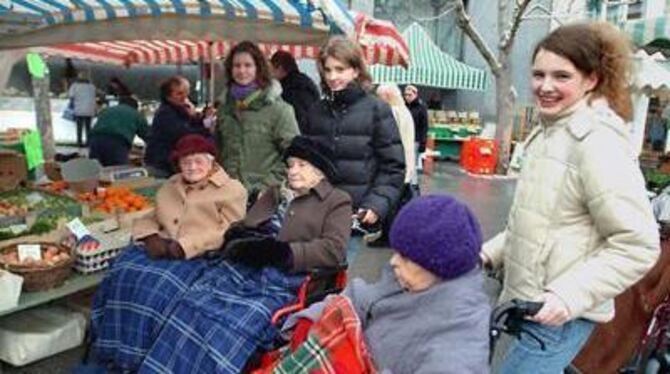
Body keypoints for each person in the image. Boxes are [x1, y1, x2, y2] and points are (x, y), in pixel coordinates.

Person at [481, 22, 660, 373]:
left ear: (591, 80)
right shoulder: (549, 133)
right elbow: (541, 220)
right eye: (538, 74)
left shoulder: (596, 142)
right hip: (530, 306)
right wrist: (487, 254)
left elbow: (639, 245)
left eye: (562, 76)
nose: (545, 86)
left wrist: (567, 296)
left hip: (558, 316)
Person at [134, 135, 352, 373]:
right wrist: (239, 239)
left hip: (288, 277)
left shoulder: (336, 201)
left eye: (301, 165)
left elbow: (334, 249)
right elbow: (244, 225)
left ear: (320, 172)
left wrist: (282, 253)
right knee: (193, 302)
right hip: (247, 267)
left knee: (231, 323)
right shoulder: (276, 192)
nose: (292, 171)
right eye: (290, 165)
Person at [276, 195, 490, 374]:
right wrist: (313, 317)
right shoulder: (412, 280)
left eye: (405, 257)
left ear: (439, 267)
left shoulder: (456, 347)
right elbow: (362, 296)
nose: (393, 261)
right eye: (396, 252)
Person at [89, 134, 247, 371]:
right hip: (163, 248)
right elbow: (151, 217)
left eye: (198, 161)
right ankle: (111, 346)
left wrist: (185, 246)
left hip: (202, 256)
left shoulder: (232, 189)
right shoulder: (171, 184)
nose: (191, 167)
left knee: (157, 289)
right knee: (122, 271)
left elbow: (231, 230)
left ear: (211, 161)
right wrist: (150, 236)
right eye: (185, 162)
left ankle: (139, 354)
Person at [303, 36, 405, 239]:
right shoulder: (316, 110)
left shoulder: (377, 109)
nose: (332, 76)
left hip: (352, 217)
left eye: (340, 69)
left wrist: (375, 204)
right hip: (315, 211)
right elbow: (304, 159)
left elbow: (393, 166)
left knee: (337, 269)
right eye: (328, 69)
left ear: (356, 71)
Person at [216, 41, 300, 200]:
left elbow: (294, 156)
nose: (242, 71)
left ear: (258, 68)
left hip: (264, 200)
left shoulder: (279, 110)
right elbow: (219, 152)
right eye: (237, 65)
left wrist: (266, 187)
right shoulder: (224, 109)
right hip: (228, 197)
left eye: (248, 65)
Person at [144, 76, 209, 178]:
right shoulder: (166, 113)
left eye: (186, 92)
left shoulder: (180, 110)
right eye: (179, 94)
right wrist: (206, 127)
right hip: (161, 165)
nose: (185, 97)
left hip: (172, 164)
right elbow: (184, 134)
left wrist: (196, 117)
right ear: (168, 96)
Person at [88, 96, 149, 166]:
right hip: (117, 141)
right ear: (135, 107)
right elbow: (147, 135)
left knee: (95, 168)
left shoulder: (108, 110)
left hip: (95, 139)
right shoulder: (136, 114)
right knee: (119, 170)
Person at [270, 50, 321, 133]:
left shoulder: (290, 88)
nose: (271, 74)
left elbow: (297, 118)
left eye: (272, 69)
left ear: (280, 68)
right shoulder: (305, 82)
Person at [376, 83, 417, 187]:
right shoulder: (404, 110)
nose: (378, 100)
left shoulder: (392, 112)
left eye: (380, 97)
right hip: (404, 161)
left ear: (388, 96)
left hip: (394, 164)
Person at [404, 84, 429, 173]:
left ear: (415, 94)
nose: (407, 97)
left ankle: (412, 184)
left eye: (410, 95)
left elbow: (424, 125)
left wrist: (423, 142)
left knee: (412, 164)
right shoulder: (403, 106)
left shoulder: (421, 107)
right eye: (406, 95)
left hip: (415, 139)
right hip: (404, 137)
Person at [68, 73, 97, 147]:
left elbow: (71, 96)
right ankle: (89, 142)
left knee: (79, 128)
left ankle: (79, 142)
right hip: (89, 109)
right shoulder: (92, 86)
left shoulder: (74, 86)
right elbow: (96, 95)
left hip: (79, 109)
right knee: (88, 128)